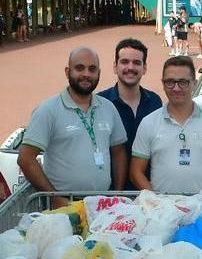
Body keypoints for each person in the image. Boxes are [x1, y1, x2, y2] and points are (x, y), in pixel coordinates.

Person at [19, 47, 127, 205]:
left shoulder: (108, 108)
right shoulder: (48, 110)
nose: (86, 74)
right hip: (64, 206)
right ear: (67, 71)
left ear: (99, 73)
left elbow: (119, 152)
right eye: (79, 68)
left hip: (102, 204)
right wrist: (54, 198)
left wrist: (116, 193)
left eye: (92, 69)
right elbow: (25, 158)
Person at [130, 55, 202, 194]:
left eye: (183, 82)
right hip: (162, 210)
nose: (176, 88)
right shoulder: (148, 123)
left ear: (194, 84)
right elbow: (136, 171)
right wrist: (156, 201)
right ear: (163, 83)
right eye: (170, 82)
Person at [98, 38, 163, 162]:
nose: (130, 67)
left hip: (147, 179)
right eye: (124, 62)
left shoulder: (155, 101)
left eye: (137, 63)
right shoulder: (100, 102)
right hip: (112, 180)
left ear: (144, 68)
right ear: (115, 67)